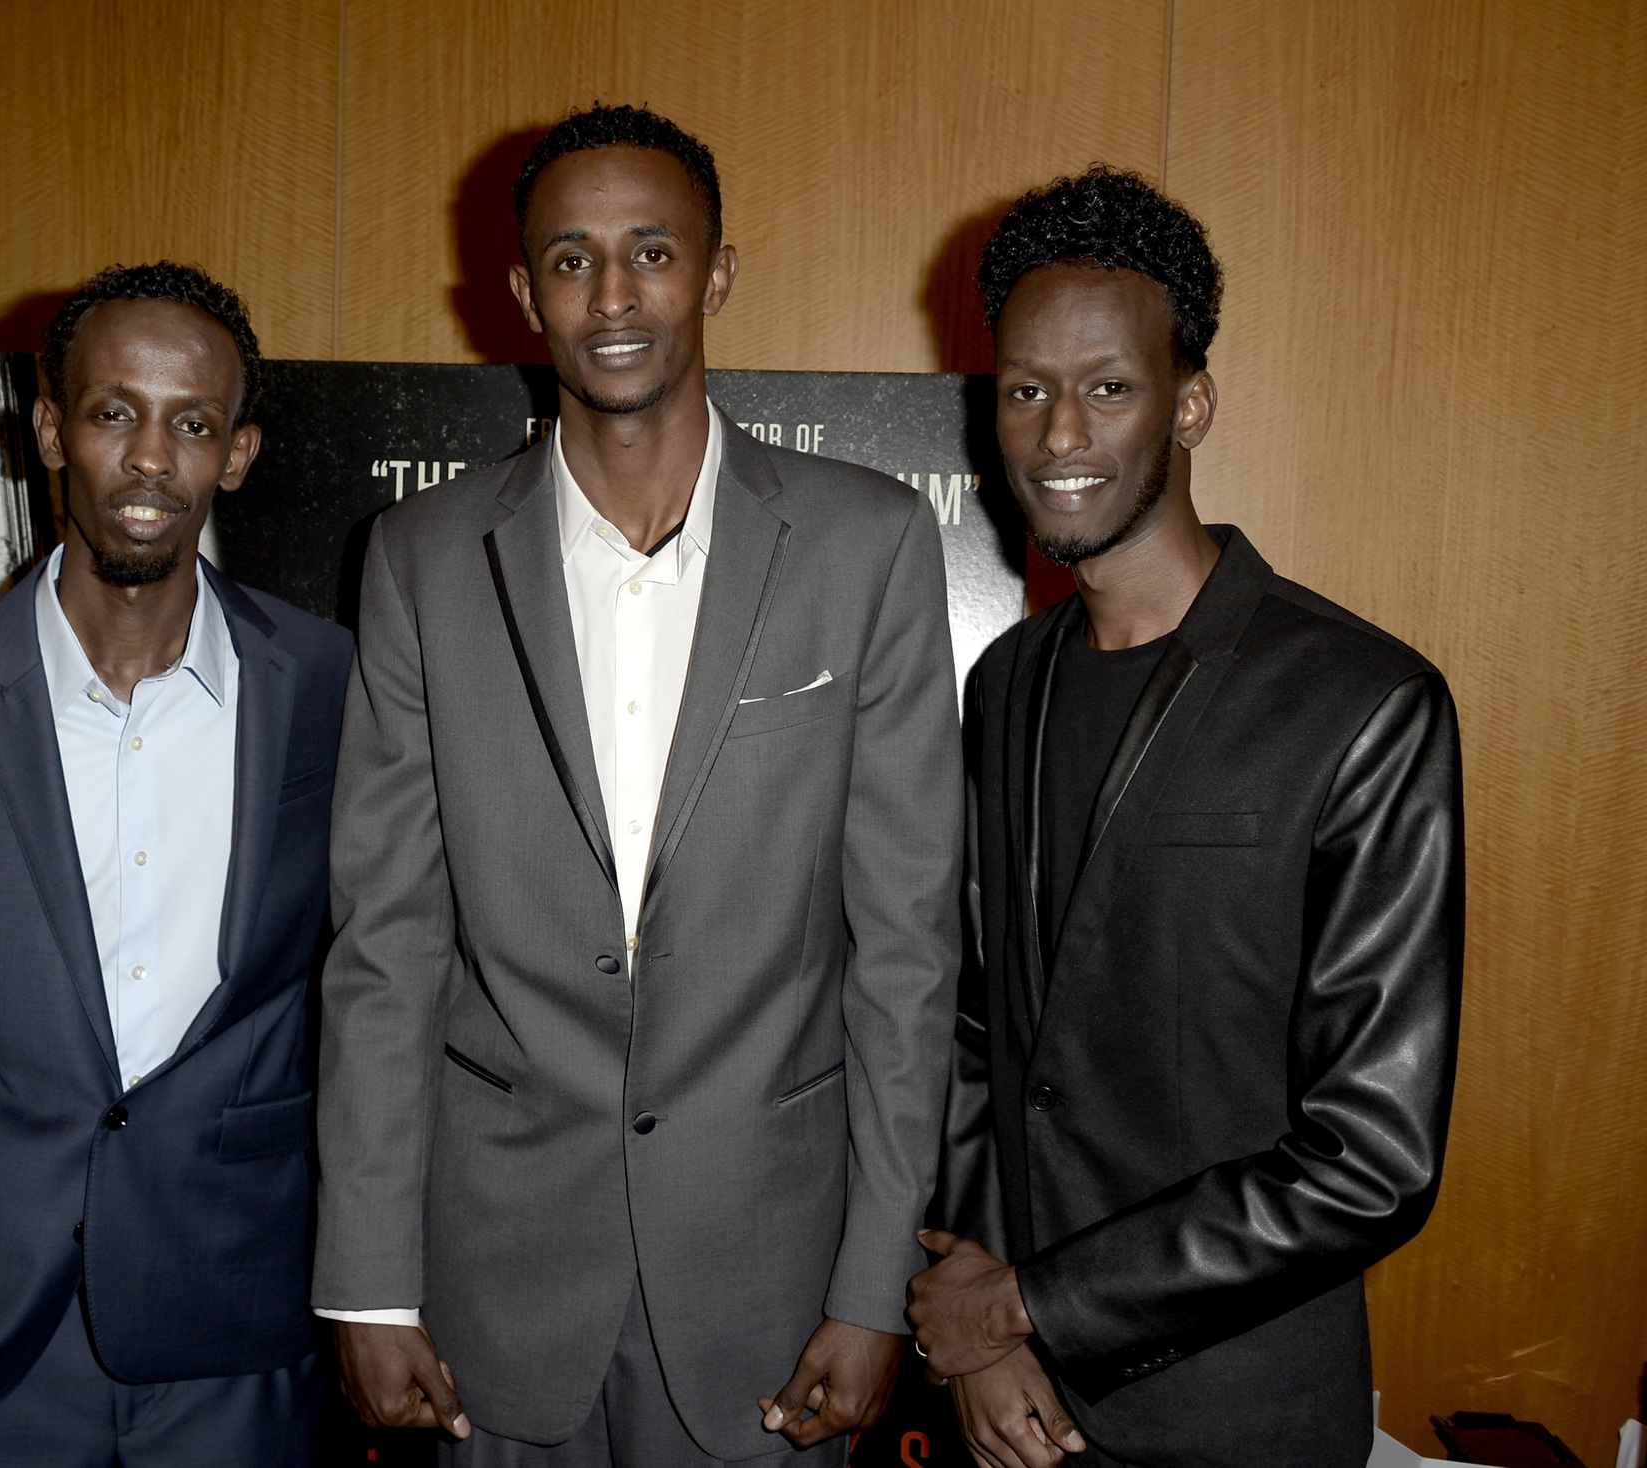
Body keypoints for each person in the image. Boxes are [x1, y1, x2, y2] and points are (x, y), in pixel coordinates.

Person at [314, 104, 963, 1467]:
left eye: (654, 251)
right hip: (490, 1291)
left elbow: (904, 957)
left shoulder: (867, 545)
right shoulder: (421, 559)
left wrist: (873, 1282)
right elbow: (386, 946)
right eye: (572, 258)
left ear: (718, 272)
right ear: (519, 293)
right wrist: (367, 1279)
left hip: (773, 1296)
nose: (614, 295)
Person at [910, 166, 1463, 1468]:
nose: (1059, 436)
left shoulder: (1362, 701)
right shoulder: (1006, 683)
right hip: (1017, 1408)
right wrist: (991, 1332)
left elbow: (1371, 1153)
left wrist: (1035, 1305)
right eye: (1026, 390)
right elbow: (973, 1026)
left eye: (1108, 388)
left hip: (1242, 1415)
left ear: (1190, 401)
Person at [0, 262, 351, 1466]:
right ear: (51, 427)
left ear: (240, 451)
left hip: (240, 1319)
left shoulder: (332, 685)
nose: (151, 459)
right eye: (114, 413)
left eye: (192, 423)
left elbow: (370, 991)